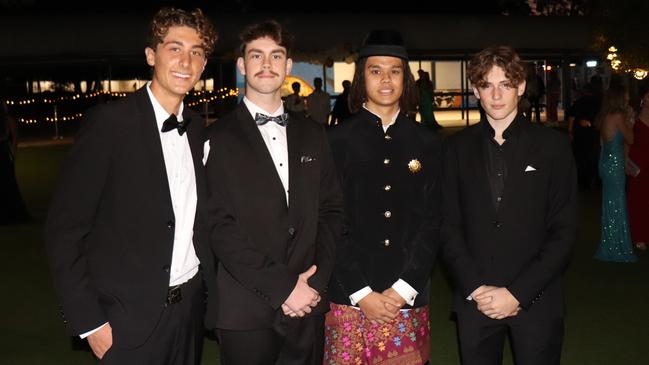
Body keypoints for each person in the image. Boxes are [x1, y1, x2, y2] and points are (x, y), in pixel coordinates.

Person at [45, 8, 217, 364]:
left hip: (188, 314)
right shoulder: (110, 124)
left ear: (203, 64)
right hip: (125, 321)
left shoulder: (199, 128)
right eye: (174, 48)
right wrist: (89, 321)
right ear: (151, 56)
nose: (186, 60)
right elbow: (64, 231)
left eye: (197, 52)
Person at [204, 20, 343, 365]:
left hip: (308, 303)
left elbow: (331, 211)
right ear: (241, 65)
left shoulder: (314, 134)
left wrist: (316, 282)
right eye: (256, 56)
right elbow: (218, 226)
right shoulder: (215, 138)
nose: (266, 65)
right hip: (245, 309)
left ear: (288, 65)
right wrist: (283, 288)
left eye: (275, 56)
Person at [442, 46, 577, 365]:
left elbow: (565, 230)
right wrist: (475, 288)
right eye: (487, 85)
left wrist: (518, 293)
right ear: (476, 91)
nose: (497, 95)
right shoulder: (454, 149)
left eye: (505, 84)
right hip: (476, 301)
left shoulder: (553, 147)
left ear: (520, 87)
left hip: (538, 299)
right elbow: (446, 225)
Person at [325, 30, 442, 365]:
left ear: (406, 78)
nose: (386, 79)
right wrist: (361, 293)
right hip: (348, 295)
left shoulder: (429, 144)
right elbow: (330, 221)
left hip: (407, 295)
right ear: (362, 77)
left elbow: (433, 222)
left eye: (395, 70)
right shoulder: (335, 142)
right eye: (376, 70)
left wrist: (403, 289)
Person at [594, 84, 637, 262]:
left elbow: (602, 144)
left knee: (610, 204)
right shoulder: (619, 117)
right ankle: (617, 247)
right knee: (617, 203)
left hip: (606, 162)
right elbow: (631, 139)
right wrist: (631, 121)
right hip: (614, 164)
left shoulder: (605, 117)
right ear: (619, 98)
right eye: (626, 97)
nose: (628, 99)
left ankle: (611, 243)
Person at [568, 78, 603, 191]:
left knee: (581, 156)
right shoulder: (598, 102)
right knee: (591, 156)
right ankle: (590, 180)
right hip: (592, 132)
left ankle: (583, 180)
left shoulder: (579, 102)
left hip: (581, 132)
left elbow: (572, 118)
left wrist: (570, 132)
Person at [0, 98, 30, 224]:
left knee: (8, 182)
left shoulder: (6, 117)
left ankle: (12, 213)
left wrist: (12, 150)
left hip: (2, 150)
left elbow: (13, 134)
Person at [627, 83, 649, 251]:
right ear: (643, 98)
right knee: (638, 200)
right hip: (639, 164)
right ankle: (639, 236)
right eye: (648, 96)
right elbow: (626, 141)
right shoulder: (633, 116)